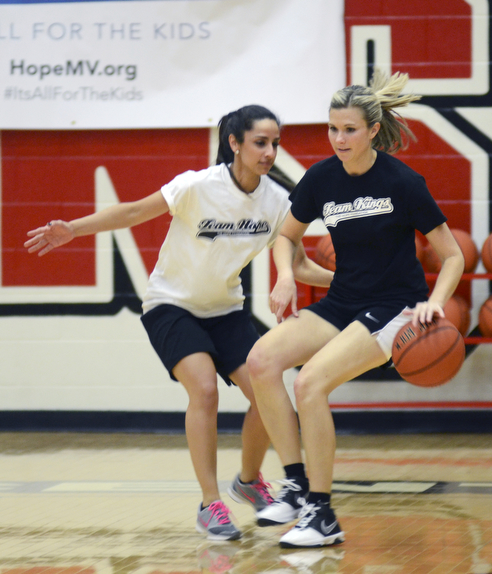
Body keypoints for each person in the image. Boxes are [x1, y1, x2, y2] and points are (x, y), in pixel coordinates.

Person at [24, 104, 333, 542]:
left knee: (268, 391)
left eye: (275, 144)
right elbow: (132, 212)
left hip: (226, 309)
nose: (269, 152)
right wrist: (72, 229)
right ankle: (211, 505)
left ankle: (248, 480)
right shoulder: (197, 186)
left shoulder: (276, 202)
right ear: (235, 144)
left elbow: (298, 265)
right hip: (171, 305)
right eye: (260, 143)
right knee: (204, 388)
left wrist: (350, 282)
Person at [246, 72, 465, 548]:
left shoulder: (403, 182)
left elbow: (453, 256)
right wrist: (286, 274)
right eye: (332, 129)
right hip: (343, 300)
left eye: (348, 129)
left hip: (394, 308)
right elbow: (286, 236)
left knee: (310, 382)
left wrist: (435, 302)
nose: (339, 139)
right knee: (261, 362)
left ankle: (322, 516)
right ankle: (297, 485)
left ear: (371, 130)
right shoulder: (321, 177)